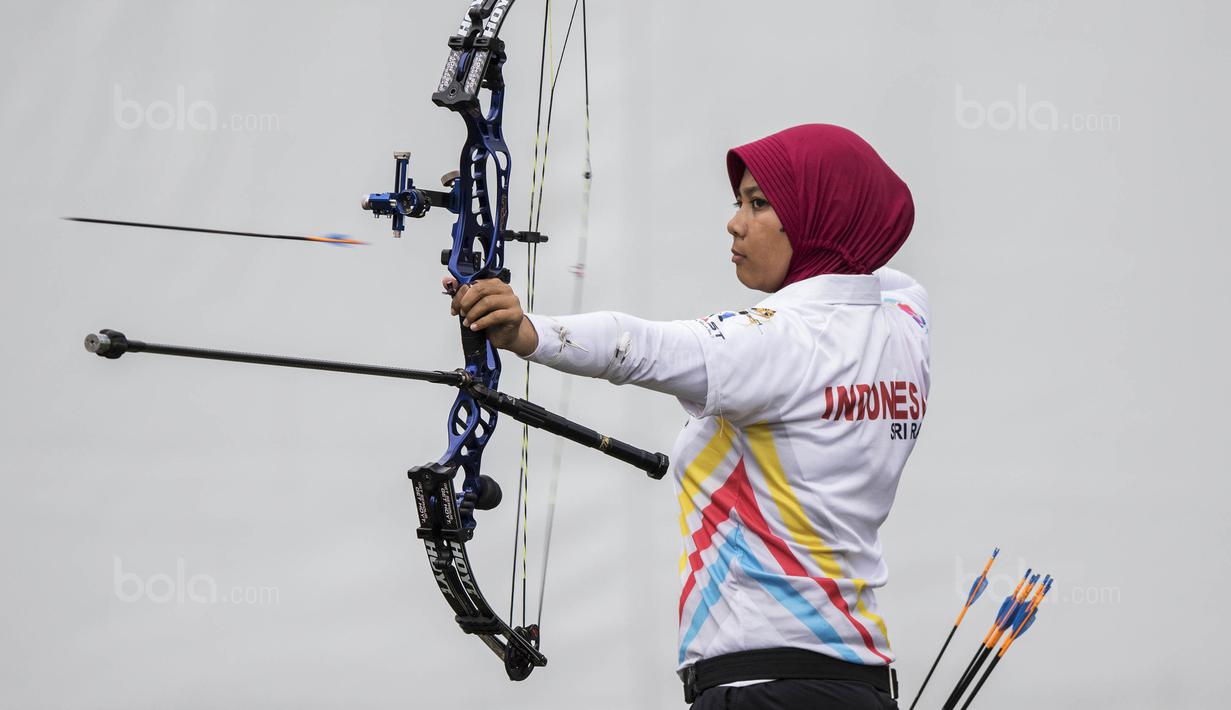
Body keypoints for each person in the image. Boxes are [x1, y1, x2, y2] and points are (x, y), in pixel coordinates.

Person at [450, 124, 929, 709]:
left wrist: (528, 333)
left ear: (816, 218)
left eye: (759, 205)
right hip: (862, 687)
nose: (735, 223)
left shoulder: (783, 343)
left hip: (763, 691)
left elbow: (642, 347)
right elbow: (881, 267)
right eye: (739, 202)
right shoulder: (905, 325)